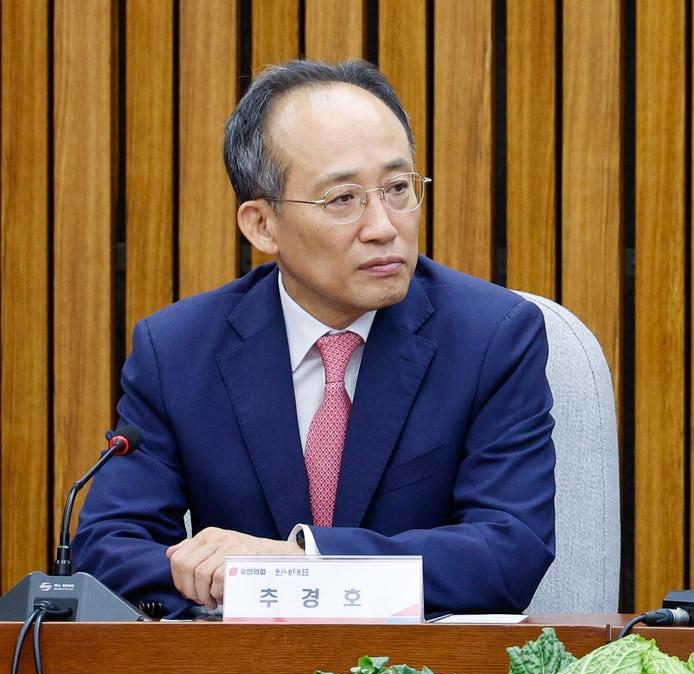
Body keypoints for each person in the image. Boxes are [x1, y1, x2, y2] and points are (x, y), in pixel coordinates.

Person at [74, 59, 555, 617]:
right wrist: (234, 584)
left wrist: (299, 561)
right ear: (262, 224)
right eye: (343, 199)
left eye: (399, 188)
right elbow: (107, 551)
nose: (384, 225)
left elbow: (508, 551)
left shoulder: (491, 337)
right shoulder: (178, 351)